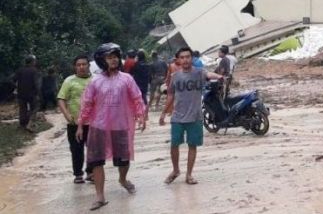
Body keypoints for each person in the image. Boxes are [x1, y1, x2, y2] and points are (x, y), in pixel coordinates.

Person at [77, 43, 146, 211]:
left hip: (120, 125)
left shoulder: (126, 79)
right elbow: (87, 104)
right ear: (102, 60)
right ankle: (100, 197)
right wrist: (80, 124)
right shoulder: (95, 81)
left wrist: (141, 116)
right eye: (109, 57)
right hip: (98, 126)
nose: (113, 59)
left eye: (115, 56)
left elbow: (137, 98)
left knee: (124, 159)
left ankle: (122, 179)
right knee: (96, 161)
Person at [159, 47, 220, 185]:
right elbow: (170, 95)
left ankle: (189, 175)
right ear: (178, 60)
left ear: (191, 58)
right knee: (174, 145)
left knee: (192, 146)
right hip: (178, 117)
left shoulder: (199, 72)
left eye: (188, 57)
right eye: (182, 57)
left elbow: (209, 74)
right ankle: (175, 170)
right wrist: (163, 113)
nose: (185, 59)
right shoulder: (175, 77)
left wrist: (219, 76)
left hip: (195, 116)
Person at [57, 55, 93, 184]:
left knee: (93, 148)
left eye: (84, 64)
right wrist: (66, 115)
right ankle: (78, 174)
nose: (82, 67)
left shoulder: (95, 80)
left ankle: (91, 172)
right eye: (79, 65)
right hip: (74, 123)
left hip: (93, 122)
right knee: (76, 149)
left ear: (89, 65)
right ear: (75, 67)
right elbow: (61, 98)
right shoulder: (69, 81)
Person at [13, 55, 41, 132]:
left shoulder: (20, 70)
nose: (35, 62)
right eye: (34, 61)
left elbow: (13, 80)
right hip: (32, 94)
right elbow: (37, 84)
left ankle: (22, 125)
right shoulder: (34, 71)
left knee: (22, 109)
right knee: (35, 108)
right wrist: (38, 94)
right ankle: (30, 124)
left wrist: (16, 87)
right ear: (32, 62)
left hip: (21, 93)